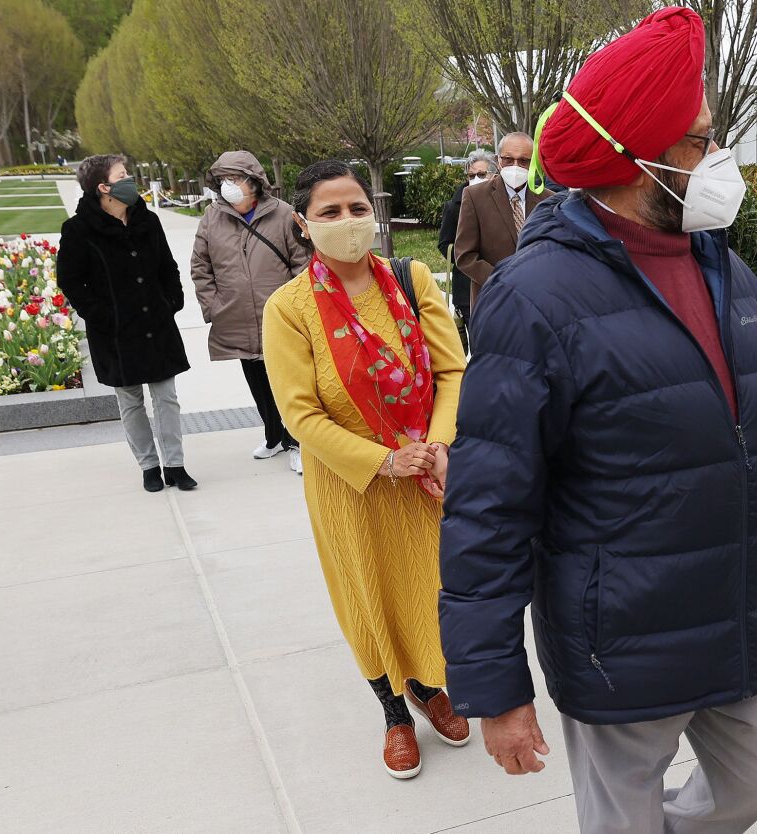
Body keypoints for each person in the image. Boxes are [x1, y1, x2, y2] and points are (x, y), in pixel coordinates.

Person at [439, 8, 757, 832]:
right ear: (640, 158)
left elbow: (749, 450)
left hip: (730, 613)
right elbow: (489, 504)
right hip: (619, 636)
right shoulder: (535, 298)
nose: (717, 158)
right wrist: (494, 687)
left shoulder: (727, 268)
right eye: (701, 141)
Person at [262, 160, 471, 780]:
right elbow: (299, 415)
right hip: (352, 487)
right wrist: (382, 460)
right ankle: (393, 714)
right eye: (330, 212)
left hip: (423, 478)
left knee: (428, 591)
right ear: (304, 223)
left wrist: (436, 444)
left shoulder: (411, 281)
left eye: (356, 208)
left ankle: (429, 688)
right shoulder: (290, 308)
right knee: (368, 597)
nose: (347, 222)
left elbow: (452, 371)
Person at [58, 154, 195, 494]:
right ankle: (149, 466)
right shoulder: (78, 230)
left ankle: (174, 465)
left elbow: (167, 265)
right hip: (115, 333)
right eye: (123, 175)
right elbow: (72, 282)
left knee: (167, 397)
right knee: (130, 400)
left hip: (156, 323)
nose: (129, 179)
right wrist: (103, 315)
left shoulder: (146, 220)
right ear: (103, 187)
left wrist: (172, 301)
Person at [191, 151, 309, 473]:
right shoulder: (212, 218)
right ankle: (273, 436)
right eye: (223, 180)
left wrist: (297, 305)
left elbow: (303, 262)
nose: (228, 185)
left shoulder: (283, 214)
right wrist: (213, 305)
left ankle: (295, 441)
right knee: (256, 380)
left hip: (279, 317)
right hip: (237, 316)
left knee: (285, 381)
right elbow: (201, 267)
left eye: (235, 178)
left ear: (254, 182)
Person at [453, 131, 546, 313]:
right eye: (509, 159)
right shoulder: (475, 196)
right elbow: (465, 255)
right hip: (493, 304)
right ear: (498, 160)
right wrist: (503, 280)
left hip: (539, 305)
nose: (516, 166)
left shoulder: (549, 200)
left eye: (523, 161)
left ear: (533, 162)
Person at [438, 150, 495, 353]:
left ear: (494, 175)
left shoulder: (503, 203)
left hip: (499, 284)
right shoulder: (455, 206)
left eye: (481, 174)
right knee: (478, 346)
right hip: (467, 288)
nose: (476, 179)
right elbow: (444, 243)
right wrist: (467, 258)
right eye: (472, 175)